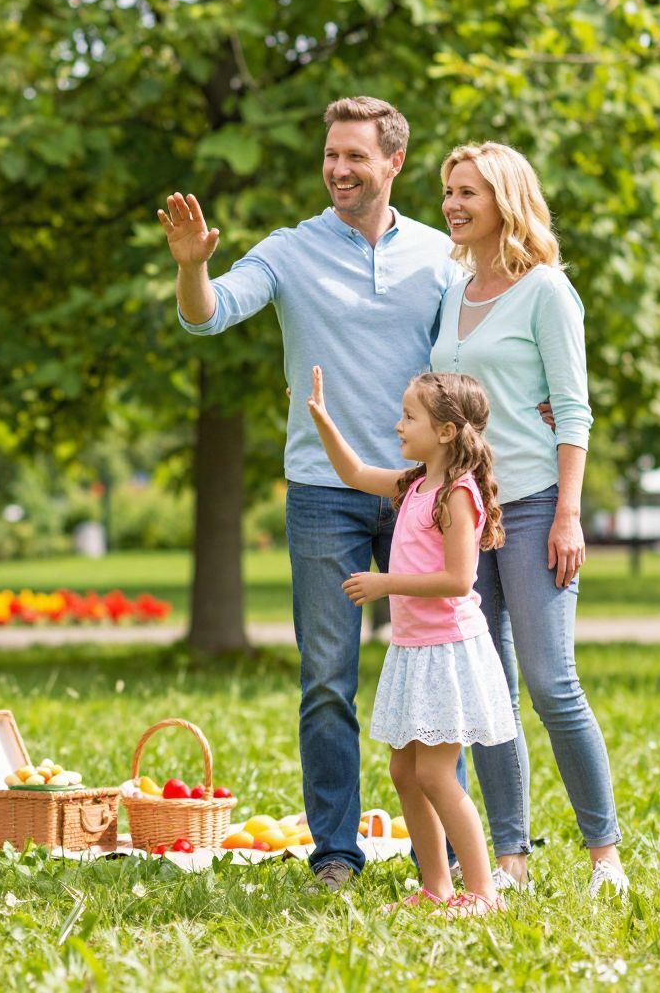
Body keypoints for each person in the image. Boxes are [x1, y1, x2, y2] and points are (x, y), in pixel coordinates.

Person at [160, 96, 459, 890]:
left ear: (393, 162)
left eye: (354, 156)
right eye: (331, 155)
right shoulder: (289, 252)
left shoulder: (438, 257)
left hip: (418, 495)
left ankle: (465, 848)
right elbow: (208, 316)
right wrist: (193, 266)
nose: (338, 169)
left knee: (448, 667)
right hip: (323, 492)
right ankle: (336, 850)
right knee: (328, 677)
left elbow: (469, 364)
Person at [432, 141, 626, 897]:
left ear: (505, 199)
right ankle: (508, 857)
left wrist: (569, 513)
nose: (453, 204)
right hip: (468, 509)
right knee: (487, 689)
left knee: (552, 683)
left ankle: (603, 851)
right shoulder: (453, 288)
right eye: (449, 191)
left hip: (540, 500)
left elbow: (572, 407)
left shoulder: (547, 290)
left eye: (468, 192)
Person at [307, 366, 515, 916]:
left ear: (446, 431)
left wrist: (385, 584)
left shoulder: (457, 495)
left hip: (448, 651)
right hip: (414, 649)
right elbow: (352, 473)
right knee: (405, 772)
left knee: (434, 773)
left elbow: (459, 580)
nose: (398, 425)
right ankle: (437, 887)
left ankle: (483, 894)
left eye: (409, 416)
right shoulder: (413, 485)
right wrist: (322, 421)